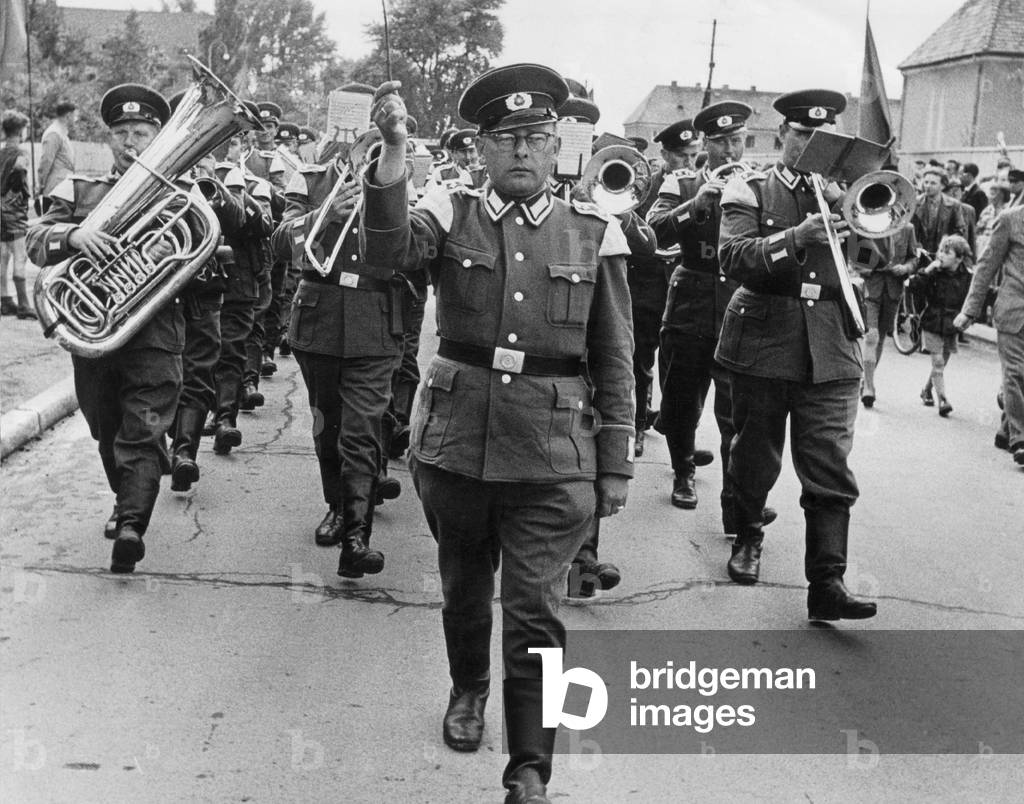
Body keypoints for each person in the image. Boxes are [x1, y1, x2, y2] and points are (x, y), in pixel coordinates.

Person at [363, 64, 635, 804]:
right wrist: (390, 155)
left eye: (536, 138)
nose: (522, 151)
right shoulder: (450, 214)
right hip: (456, 445)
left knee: (535, 610)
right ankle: (466, 689)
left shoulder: (593, 233)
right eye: (506, 139)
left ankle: (530, 768)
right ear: (480, 148)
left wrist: (615, 464)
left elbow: (614, 358)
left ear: (558, 149)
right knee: (462, 589)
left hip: (554, 455)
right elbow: (388, 255)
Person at [715, 88, 877, 622]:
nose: (809, 145)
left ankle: (827, 580)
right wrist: (795, 236)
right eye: (802, 135)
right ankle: (747, 537)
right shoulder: (751, 188)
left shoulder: (847, 192)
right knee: (754, 452)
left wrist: (857, 213)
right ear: (782, 134)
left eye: (821, 138)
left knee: (830, 464)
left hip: (831, 345)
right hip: (765, 338)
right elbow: (733, 257)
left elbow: (883, 252)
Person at [26, 85, 182, 573]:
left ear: (158, 134)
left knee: (142, 428)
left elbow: (218, 238)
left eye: (140, 131)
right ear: (108, 136)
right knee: (106, 425)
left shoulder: (178, 189)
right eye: (121, 132)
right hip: (95, 331)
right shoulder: (79, 189)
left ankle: (133, 524)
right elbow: (35, 239)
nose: (130, 140)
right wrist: (74, 234)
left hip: (154, 330)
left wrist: (161, 253)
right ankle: (126, 501)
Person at [271, 129, 404, 566]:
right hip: (320, 316)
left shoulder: (401, 176)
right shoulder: (309, 179)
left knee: (362, 428)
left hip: (375, 319)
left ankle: (356, 536)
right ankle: (336, 505)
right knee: (326, 425)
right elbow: (279, 242)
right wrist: (324, 215)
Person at [647, 101, 777, 535]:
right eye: (720, 142)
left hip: (738, 308)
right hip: (692, 303)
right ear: (705, 144)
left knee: (735, 417)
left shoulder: (758, 186)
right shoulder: (682, 181)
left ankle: (735, 507)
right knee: (682, 400)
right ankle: (683, 470)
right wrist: (695, 206)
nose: (730, 151)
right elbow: (653, 232)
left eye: (736, 141)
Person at [955, 204, 1024, 467]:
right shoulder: (1009, 220)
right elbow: (986, 266)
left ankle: (1006, 429)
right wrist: (970, 311)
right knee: (1015, 372)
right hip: (1014, 310)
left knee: (1020, 377)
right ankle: (1021, 439)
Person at [853, 221, 918, 407]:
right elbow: (857, 259)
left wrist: (905, 268)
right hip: (872, 289)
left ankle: (867, 379)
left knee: (880, 337)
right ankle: (869, 388)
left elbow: (914, 258)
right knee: (871, 336)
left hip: (893, 291)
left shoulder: (907, 229)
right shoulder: (868, 227)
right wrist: (868, 266)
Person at [910, 235, 973, 416]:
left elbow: (973, 298)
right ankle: (943, 399)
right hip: (933, 320)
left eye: (947, 253)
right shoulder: (934, 272)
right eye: (940, 251)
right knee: (937, 361)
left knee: (941, 363)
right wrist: (928, 269)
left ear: (959, 258)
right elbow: (914, 286)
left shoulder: (967, 276)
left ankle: (926, 390)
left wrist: (968, 318)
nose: (941, 256)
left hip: (952, 324)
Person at [1, 110, 34, 319]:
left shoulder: (0, 152)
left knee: (2, 255)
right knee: (19, 256)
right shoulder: (22, 153)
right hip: (14, 212)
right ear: (21, 131)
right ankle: (23, 305)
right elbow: (20, 173)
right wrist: (24, 193)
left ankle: (4, 300)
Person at [913, 166, 967, 256]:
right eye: (926, 182)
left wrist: (946, 248)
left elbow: (959, 231)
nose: (928, 186)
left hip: (943, 256)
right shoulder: (914, 203)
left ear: (942, 186)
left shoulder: (953, 205)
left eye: (933, 183)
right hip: (918, 255)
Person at [36, 100, 77, 198]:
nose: (76, 119)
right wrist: (41, 185)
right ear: (68, 116)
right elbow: (46, 161)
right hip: (54, 190)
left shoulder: (62, 133)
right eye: (74, 116)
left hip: (62, 189)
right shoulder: (54, 133)